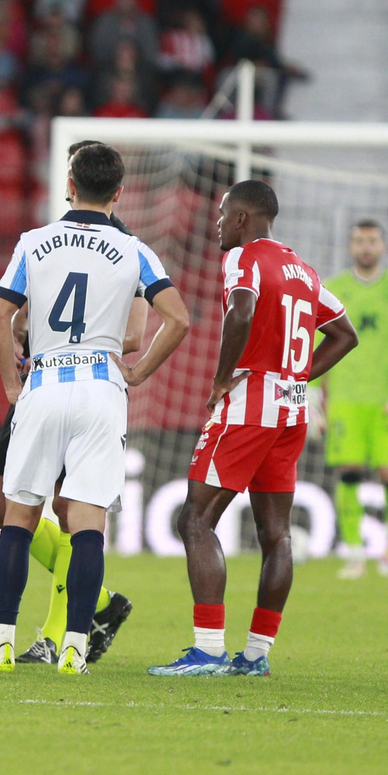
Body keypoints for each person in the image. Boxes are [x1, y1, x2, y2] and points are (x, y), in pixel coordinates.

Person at [0, 143, 190, 674]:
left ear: (69, 183)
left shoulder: (34, 242)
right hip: (101, 386)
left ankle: (0, 645)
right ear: (119, 193)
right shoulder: (136, 251)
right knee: (88, 522)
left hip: (44, 381)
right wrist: (137, 372)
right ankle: (73, 648)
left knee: (19, 517)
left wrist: (9, 386)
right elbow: (178, 320)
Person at [148, 180, 357, 677]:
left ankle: (209, 650)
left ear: (242, 218)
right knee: (276, 533)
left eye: (223, 214)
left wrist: (223, 379)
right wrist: (296, 375)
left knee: (195, 520)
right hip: (292, 407)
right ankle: (256, 656)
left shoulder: (243, 259)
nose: (218, 223)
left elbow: (241, 311)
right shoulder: (303, 270)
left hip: (250, 403)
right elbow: (344, 335)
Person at [314, 219, 388, 579]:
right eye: (359, 240)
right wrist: (313, 393)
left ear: (383, 246)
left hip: (387, 399)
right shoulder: (334, 287)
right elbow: (320, 340)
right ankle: (355, 552)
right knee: (349, 471)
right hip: (345, 398)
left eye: (372, 240)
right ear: (350, 247)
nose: (365, 247)